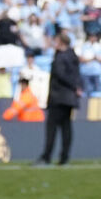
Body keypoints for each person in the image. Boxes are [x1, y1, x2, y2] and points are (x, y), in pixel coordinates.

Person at [34, 32, 81, 166]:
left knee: (52, 127)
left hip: (59, 97)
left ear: (60, 42)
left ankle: (46, 156)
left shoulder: (60, 57)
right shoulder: (73, 56)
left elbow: (60, 75)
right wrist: (76, 87)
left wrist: (73, 86)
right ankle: (64, 157)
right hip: (69, 98)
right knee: (66, 127)